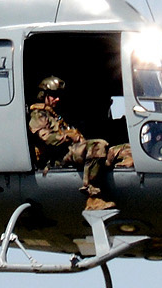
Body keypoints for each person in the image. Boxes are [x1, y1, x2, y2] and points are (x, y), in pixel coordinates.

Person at [29, 76, 133, 210]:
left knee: (126, 149)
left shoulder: (58, 115)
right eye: (54, 95)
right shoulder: (38, 115)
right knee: (97, 146)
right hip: (57, 158)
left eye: (59, 96)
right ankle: (93, 197)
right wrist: (68, 136)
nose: (57, 99)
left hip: (73, 153)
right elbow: (47, 139)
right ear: (43, 95)